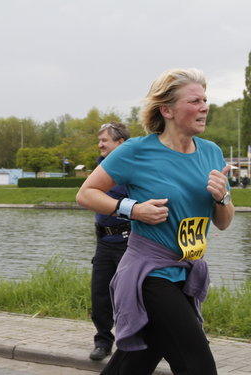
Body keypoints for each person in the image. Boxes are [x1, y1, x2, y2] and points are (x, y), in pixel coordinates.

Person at [76, 68, 235, 375]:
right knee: (198, 365)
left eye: (205, 99)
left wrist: (222, 198)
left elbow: (224, 222)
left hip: (186, 271)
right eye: (195, 100)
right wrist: (132, 209)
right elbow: (86, 194)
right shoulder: (137, 151)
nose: (204, 106)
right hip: (150, 272)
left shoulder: (212, 153)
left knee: (135, 361)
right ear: (167, 110)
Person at [89, 122, 131, 361]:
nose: (100, 144)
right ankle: (103, 341)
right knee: (100, 293)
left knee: (132, 295)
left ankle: (140, 343)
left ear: (121, 143)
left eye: (105, 140)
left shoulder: (132, 169)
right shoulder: (100, 168)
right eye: (99, 140)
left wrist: (113, 207)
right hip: (104, 241)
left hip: (128, 241)